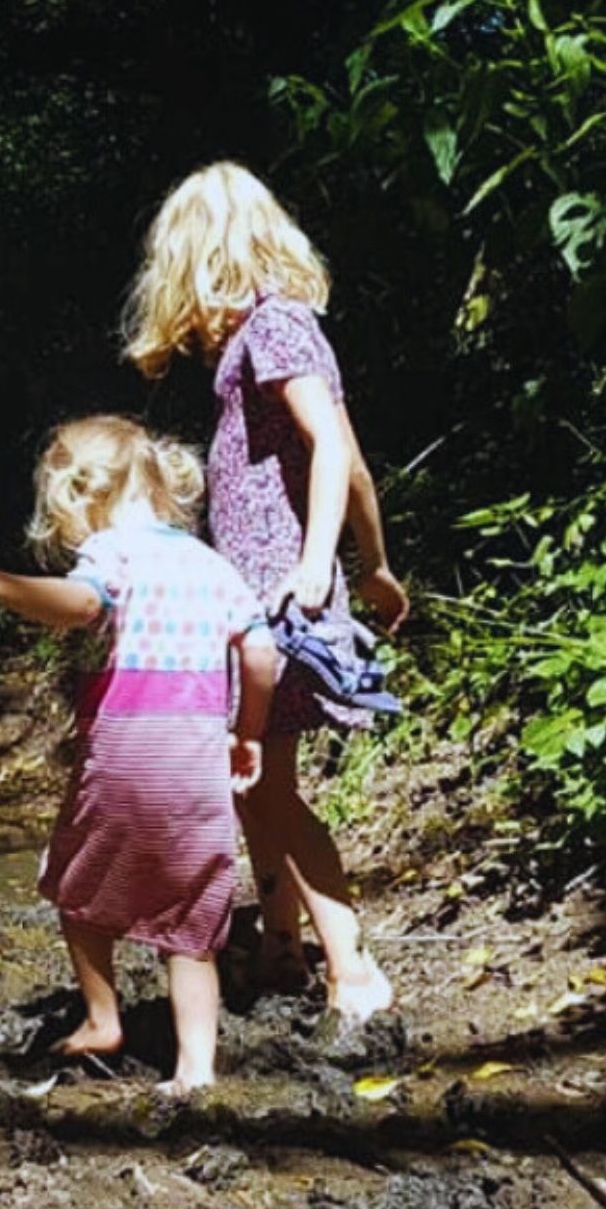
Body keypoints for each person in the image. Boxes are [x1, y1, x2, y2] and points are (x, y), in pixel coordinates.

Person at [122, 160, 410, 1030]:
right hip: (280, 587)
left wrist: (322, 564)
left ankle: (351, 968)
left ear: (200, 259)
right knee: (259, 773)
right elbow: (352, 459)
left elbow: (329, 446)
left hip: (282, 592)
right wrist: (378, 563)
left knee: (261, 782)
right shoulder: (276, 335)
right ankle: (280, 942)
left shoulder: (275, 329)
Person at [0, 416, 276, 1094]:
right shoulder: (212, 563)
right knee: (195, 919)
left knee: (78, 885)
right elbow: (261, 652)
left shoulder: (113, 553)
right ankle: (196, 1069)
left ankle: (101, 1017)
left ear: (80, 495)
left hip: (123, 752)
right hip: (199, 759)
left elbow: (82, 606)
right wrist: (251, 732)